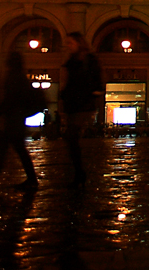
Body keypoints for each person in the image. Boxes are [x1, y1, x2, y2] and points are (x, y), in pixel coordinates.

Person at [0, 51, 39, 191]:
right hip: (17, 118)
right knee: (13, 150)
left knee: (6, 150)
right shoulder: (20, 77)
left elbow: (9, 100)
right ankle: (30, 179)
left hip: (14, 119)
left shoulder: (13, 77)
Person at [60, 31, 103, 187]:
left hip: (83, 103)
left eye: (70, 43)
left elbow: (95, 80)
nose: (67, 46)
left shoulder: (88, 59)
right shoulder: (72, 59)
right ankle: (78, 172)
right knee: (71, 138)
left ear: (78, 43)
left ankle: (80, 172)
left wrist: (92, 91)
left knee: (71, 136)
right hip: (73, 103)